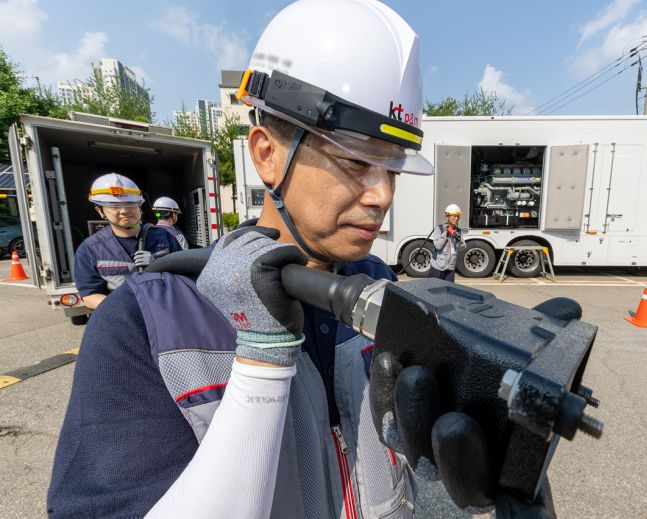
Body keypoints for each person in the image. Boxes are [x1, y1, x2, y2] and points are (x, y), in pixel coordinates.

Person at [48, 1, 432, 517]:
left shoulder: (380, 284)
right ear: (267, 154)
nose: (382, 195)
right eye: (356, 161)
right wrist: (260, 359)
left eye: (393, 171)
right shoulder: (146, 322)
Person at [72, 173, 182, 309]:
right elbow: (90, 295)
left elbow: (182, 274)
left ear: (140, 206)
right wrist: (126, 309)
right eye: (114, 206)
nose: (124, 211)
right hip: (124, 318)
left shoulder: (164, 237)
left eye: (130, 204)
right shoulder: (90, 249)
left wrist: (159, 266)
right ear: (100, 211)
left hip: (163, 310)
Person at [428, 203, 466, 282]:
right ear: (447, 217)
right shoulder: (439, 229)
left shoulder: (458, 231)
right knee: (434, 291)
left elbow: (463, 247)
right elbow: (437, 246)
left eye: (457, 216)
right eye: (454, 216)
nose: (456, 218)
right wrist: (445, 233)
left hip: (450, 268)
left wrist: (459, 240)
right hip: (437, 268)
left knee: (448, 292)